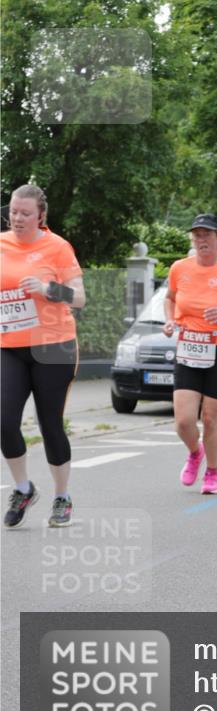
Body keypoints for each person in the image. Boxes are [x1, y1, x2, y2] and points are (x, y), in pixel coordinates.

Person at [1, 184, 85, 528]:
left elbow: (79, 298)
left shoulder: (58, 247)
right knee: (4, 421)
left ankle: (62, 496)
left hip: (55, 347)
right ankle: (23, 488)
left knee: (49, 424)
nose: (17, 218)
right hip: (10, 346)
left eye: (25, 213)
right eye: (13, 212)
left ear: (41, 216)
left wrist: (50, 289)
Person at [163, 214, 217, 495]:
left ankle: (212, 473)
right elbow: (170, 299)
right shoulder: (179, 268)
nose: (202, 239)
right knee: (184, 421)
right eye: (197, 235)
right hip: (189, 348)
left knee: (211, 419)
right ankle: (194, 452)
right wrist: (169, 320)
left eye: (207, 234)